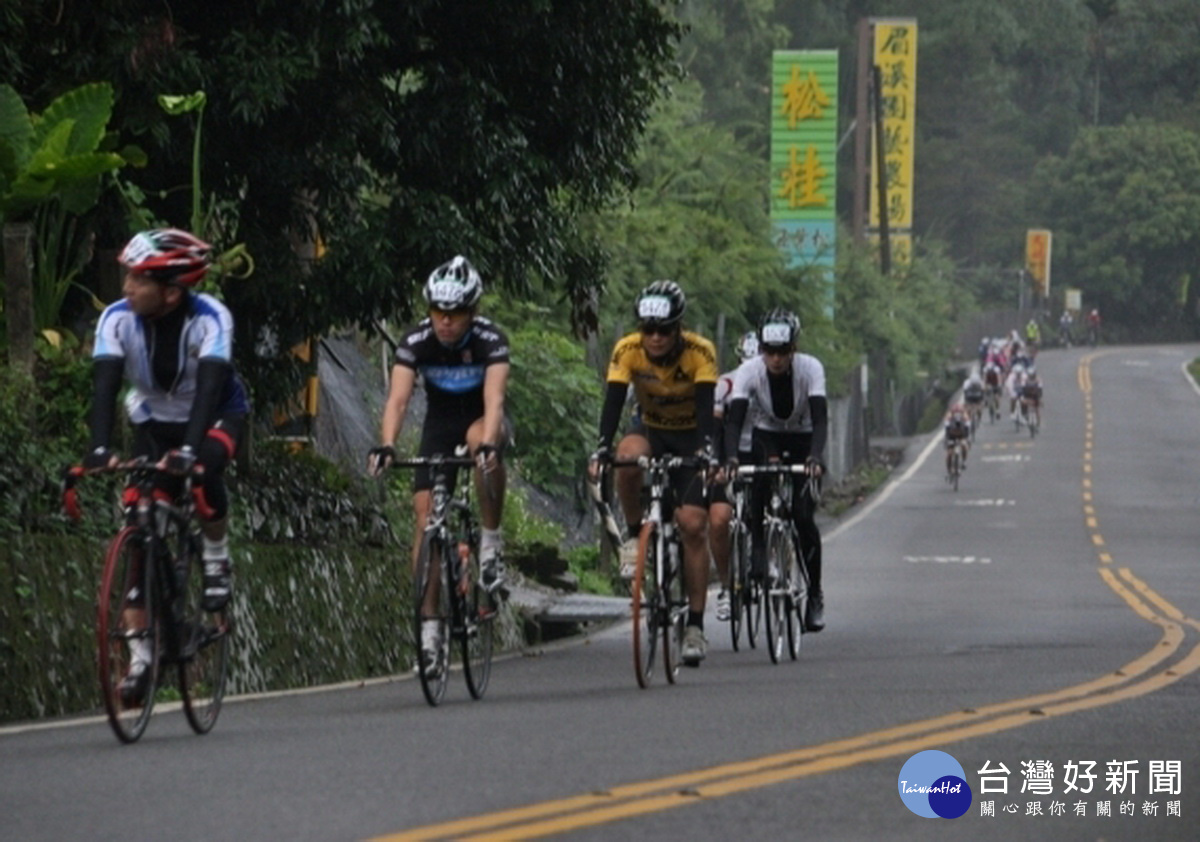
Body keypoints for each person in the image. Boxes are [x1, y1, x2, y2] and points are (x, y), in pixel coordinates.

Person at [85, 228, 250, 705]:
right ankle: (140, 661)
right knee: (139, 511)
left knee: (200, 478)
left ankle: (216, 561)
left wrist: (191, 451)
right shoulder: (116, 320)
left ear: (173, 290)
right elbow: (105, 386)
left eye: (137, 279)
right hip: (153, 420)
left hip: (215, 413)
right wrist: (98, 448)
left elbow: (208, 389)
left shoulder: (210, 318)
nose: (126, 288)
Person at [367, 256, 511, 672]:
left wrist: (488, 444)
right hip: (438, 425)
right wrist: (388, 444)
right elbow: (397, 399)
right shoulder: (416, 341)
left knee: (478, 442)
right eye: (438, 312)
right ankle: (431, 633)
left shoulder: (489, 339)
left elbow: (496, 399)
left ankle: (491, 543)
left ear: (472, 311)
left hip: (483, 420)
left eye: (456, 313)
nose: (445, 321)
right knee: (425, 518)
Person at [588, 280, 718, 665]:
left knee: (693, 525)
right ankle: (633, 537)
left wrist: (707, 452)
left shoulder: (700, 352)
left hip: (691, 436)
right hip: (651, 430)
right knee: (626, 457)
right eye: (648, 329)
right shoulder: (627, 350)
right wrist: (601, 447)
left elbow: (709, 409)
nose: (656, 338)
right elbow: (612, 404)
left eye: (664, 330)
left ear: (679, 328)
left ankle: (694, 626)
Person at [721, 309, 828, 632]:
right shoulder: (749, 371)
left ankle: (814, 594)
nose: (776, 359)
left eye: (783, 352)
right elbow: (735, 419)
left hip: (804, 436)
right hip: (766, 434)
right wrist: (731, 459)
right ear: (762, 349)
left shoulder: (811, 369)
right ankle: (756, 551)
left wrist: (815, 457)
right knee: (756, 485)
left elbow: (821, 418)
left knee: (803, 515)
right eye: (769, 351)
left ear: (794, 348)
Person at [709, 330, 760, 623]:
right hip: (731, 452)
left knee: (772, 504)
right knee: (718, 520)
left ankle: (772, 554)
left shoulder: (774, 382)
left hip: (763, 450)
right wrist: (716, 463)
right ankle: (727, 586)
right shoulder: (725, 384)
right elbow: (716, 428)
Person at [943, 404, 971, 474]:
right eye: (955, 413)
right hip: (951, 435)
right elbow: (946, 428)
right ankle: (949, 469)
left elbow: (967, 425)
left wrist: (966, 437)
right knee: (949, 453)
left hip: (961, 435)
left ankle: (963, 461)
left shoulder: (964, 415)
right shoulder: (949, 416)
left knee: (964, 446)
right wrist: (947, 438)